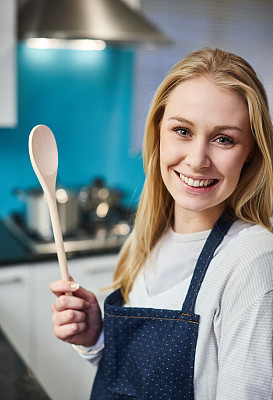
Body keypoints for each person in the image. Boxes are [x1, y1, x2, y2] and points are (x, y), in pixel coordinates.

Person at [50, 48, 273, 399]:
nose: (198, 160)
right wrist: (96, 339)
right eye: (182, 131)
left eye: (224, 139)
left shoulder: (252, 261)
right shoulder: (144, 239)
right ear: (158, 134)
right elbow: (138, 383)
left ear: (251, 154)